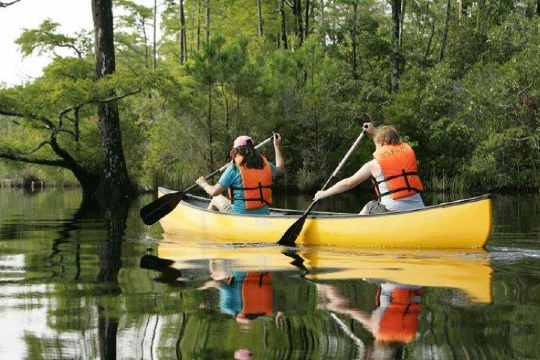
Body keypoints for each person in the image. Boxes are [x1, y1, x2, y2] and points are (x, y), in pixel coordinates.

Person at [314, 122, 424, 215]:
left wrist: (324, 193)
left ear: (380, 142)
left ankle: (354, 229)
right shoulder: (409, 155)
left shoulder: (373, 165)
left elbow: (348, 183)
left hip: (391, 212)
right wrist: (374, 131)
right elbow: (386, 138)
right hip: (418, 209)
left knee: (370, 205)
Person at [196, 134, 284, 215]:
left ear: (236, 150)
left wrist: (203, 183)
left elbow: (214, 192)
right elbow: (280, 169)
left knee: (216, 198)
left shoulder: (234, 167)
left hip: (239, 216)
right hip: (263, 214)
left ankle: (209, 228)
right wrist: (276, 146)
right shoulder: (265, 164)